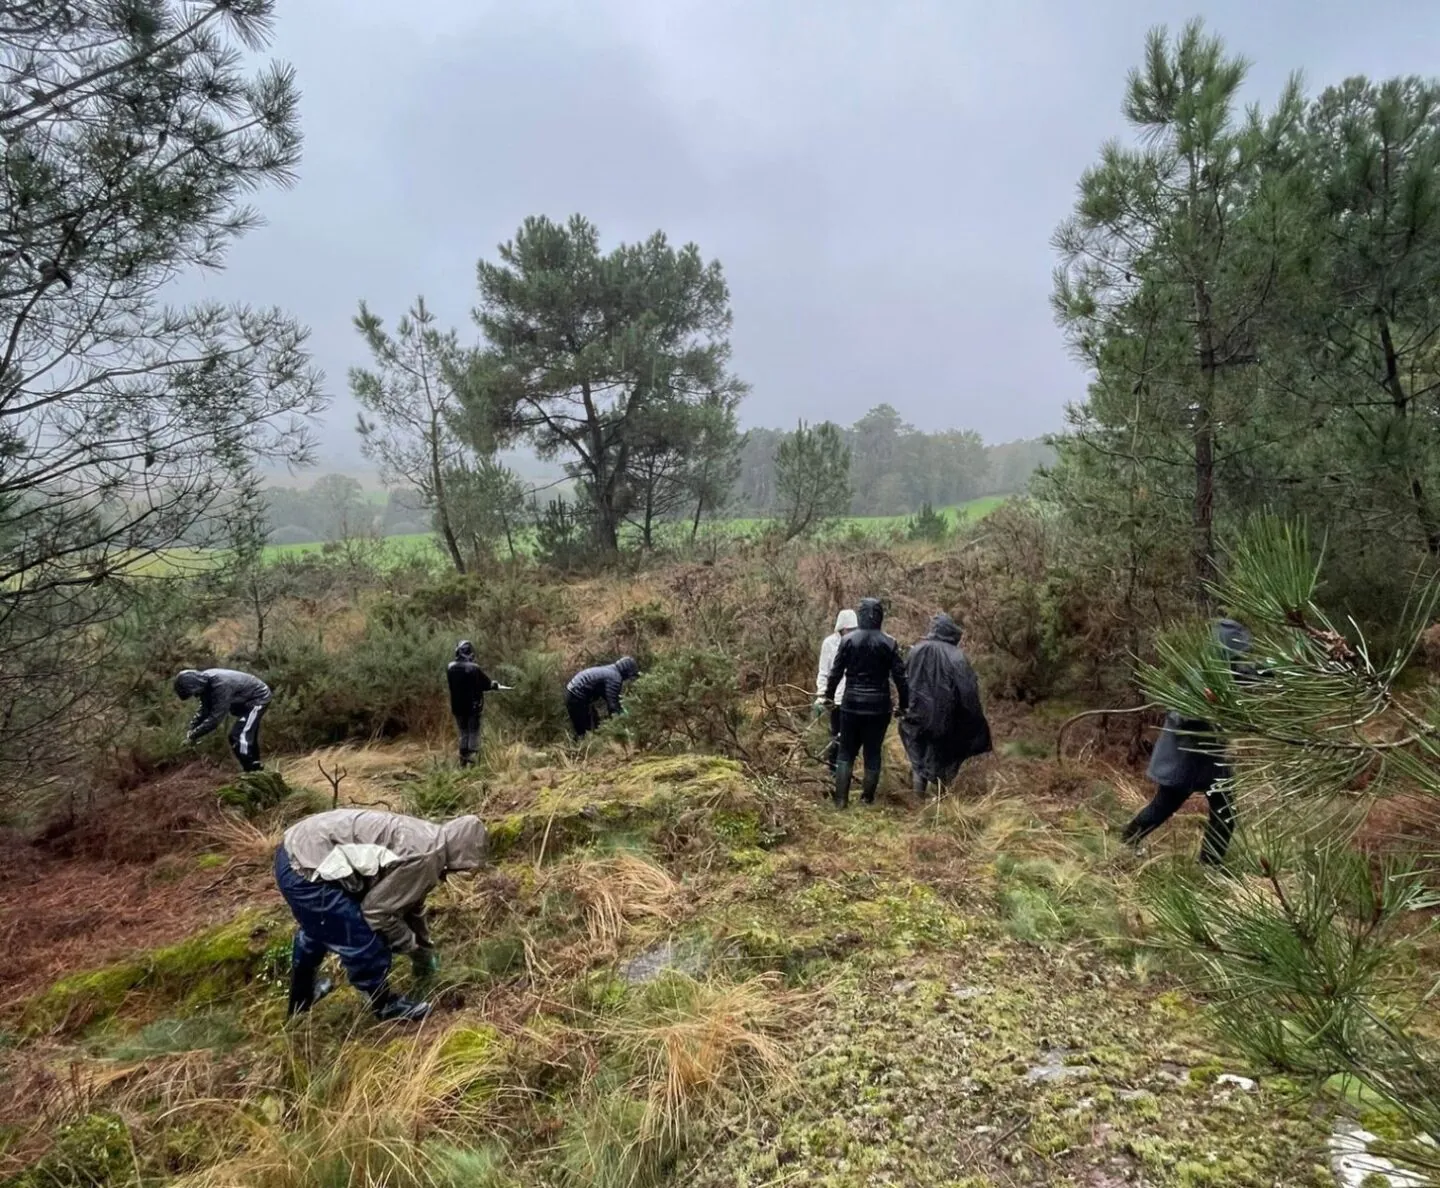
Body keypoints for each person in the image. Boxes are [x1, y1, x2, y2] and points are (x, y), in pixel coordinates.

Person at [274, 807, 488, 1022]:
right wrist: (410, 946)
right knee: (361, 937)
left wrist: (424, 949)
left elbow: (409, 904)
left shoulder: (430, 838)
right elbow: (378, 911)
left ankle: (301, 1000)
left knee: (322, 928)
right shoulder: (428, 858)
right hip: (304, 867)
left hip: (298, 848)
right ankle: (384, 1006)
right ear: (462, 855)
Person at [1122, 618, 1255, 865]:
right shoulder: (1200, 675)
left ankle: (1210, 865)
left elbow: (1256, 673)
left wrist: (1289, 667)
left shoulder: (1231, 671)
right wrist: (1207, 708)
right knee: (1163, 807)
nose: (1243, 656)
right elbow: (1181, 714)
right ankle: (1129, 839)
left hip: (1213, 761)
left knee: (1225, 813)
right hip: (1185, 759)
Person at [824, 598, 909, 808]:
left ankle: (841, 800)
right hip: (879, 707)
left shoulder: (848, 641)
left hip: (851, 704)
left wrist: (828, 696)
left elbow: (835, 673)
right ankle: (866, 799)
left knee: (845, 752)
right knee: (873, 752)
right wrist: (904, 705)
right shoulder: (889, 642)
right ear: (880, 616)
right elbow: (901, 678)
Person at [899, 613, 992, 798]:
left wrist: (904, 706)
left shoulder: (916, 650)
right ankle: (941, 800)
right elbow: (968, 691)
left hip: (915, 715)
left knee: (918, 758)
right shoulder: (956, 656)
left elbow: (904, 680)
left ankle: (919, 800)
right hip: (945, 719)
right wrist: (974, 718)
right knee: (943, 758)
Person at [174, 667, 272, 772]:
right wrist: (191, 729)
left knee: (238, 735)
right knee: (246, 734)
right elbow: (204, 710)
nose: (195, 695)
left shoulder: (220, 685)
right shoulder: (206, 684)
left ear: (196, 685)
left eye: (194, 693)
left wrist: (193, 735)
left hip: (258, 698)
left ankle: (253, 771)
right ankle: (254, 766)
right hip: (244, 700)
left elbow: (215, 718)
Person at [815, 609, 859, 772]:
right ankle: (834, 771)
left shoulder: (859, 642)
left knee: (852, 739)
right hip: (837, 700)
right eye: (849, 629)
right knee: (837, 736)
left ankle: (848, 770)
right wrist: (822, 695)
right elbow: (824, 671)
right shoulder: (829, 644)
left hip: (855, 698)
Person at [447, 640, 498, 767]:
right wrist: (494, 685)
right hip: (473, 707)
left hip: (457, 707)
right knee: (473, 732)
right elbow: (487, 684)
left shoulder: (450, 668)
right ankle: (474, 761)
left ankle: (463, 761)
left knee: (463, 732)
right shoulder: (474, 668)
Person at [565, 656, 640, 738]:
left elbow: (610, 698)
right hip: (576, 696)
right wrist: (621, 722)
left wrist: (620, 709)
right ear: (626, 672)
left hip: (573, 693)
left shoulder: (610, 670)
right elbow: (613, 706)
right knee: (587, 730)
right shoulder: (615, 677)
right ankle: (585, 747)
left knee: (594, 724)